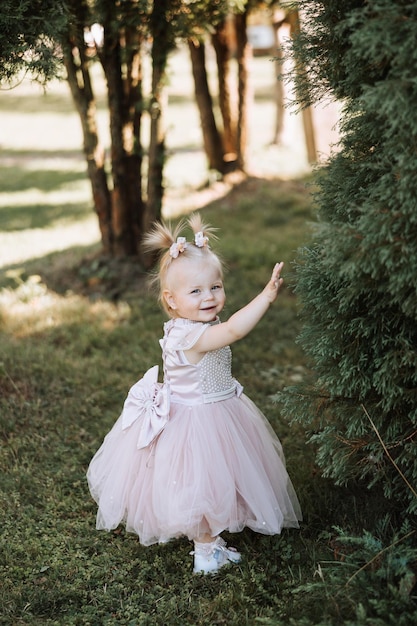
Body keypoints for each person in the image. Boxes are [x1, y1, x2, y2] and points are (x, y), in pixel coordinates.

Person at [87, 213, 302, 575]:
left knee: (219, 479)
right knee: (202, 483)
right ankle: (205, 551)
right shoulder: (193, 337)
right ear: (171, 301)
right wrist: (265, 298)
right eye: (196, 291)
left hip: (217, 409)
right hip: (198, 422)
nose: (209, 297)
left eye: (215, 287)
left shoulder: (193, 324)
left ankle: (212, 542)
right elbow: (233, 330)